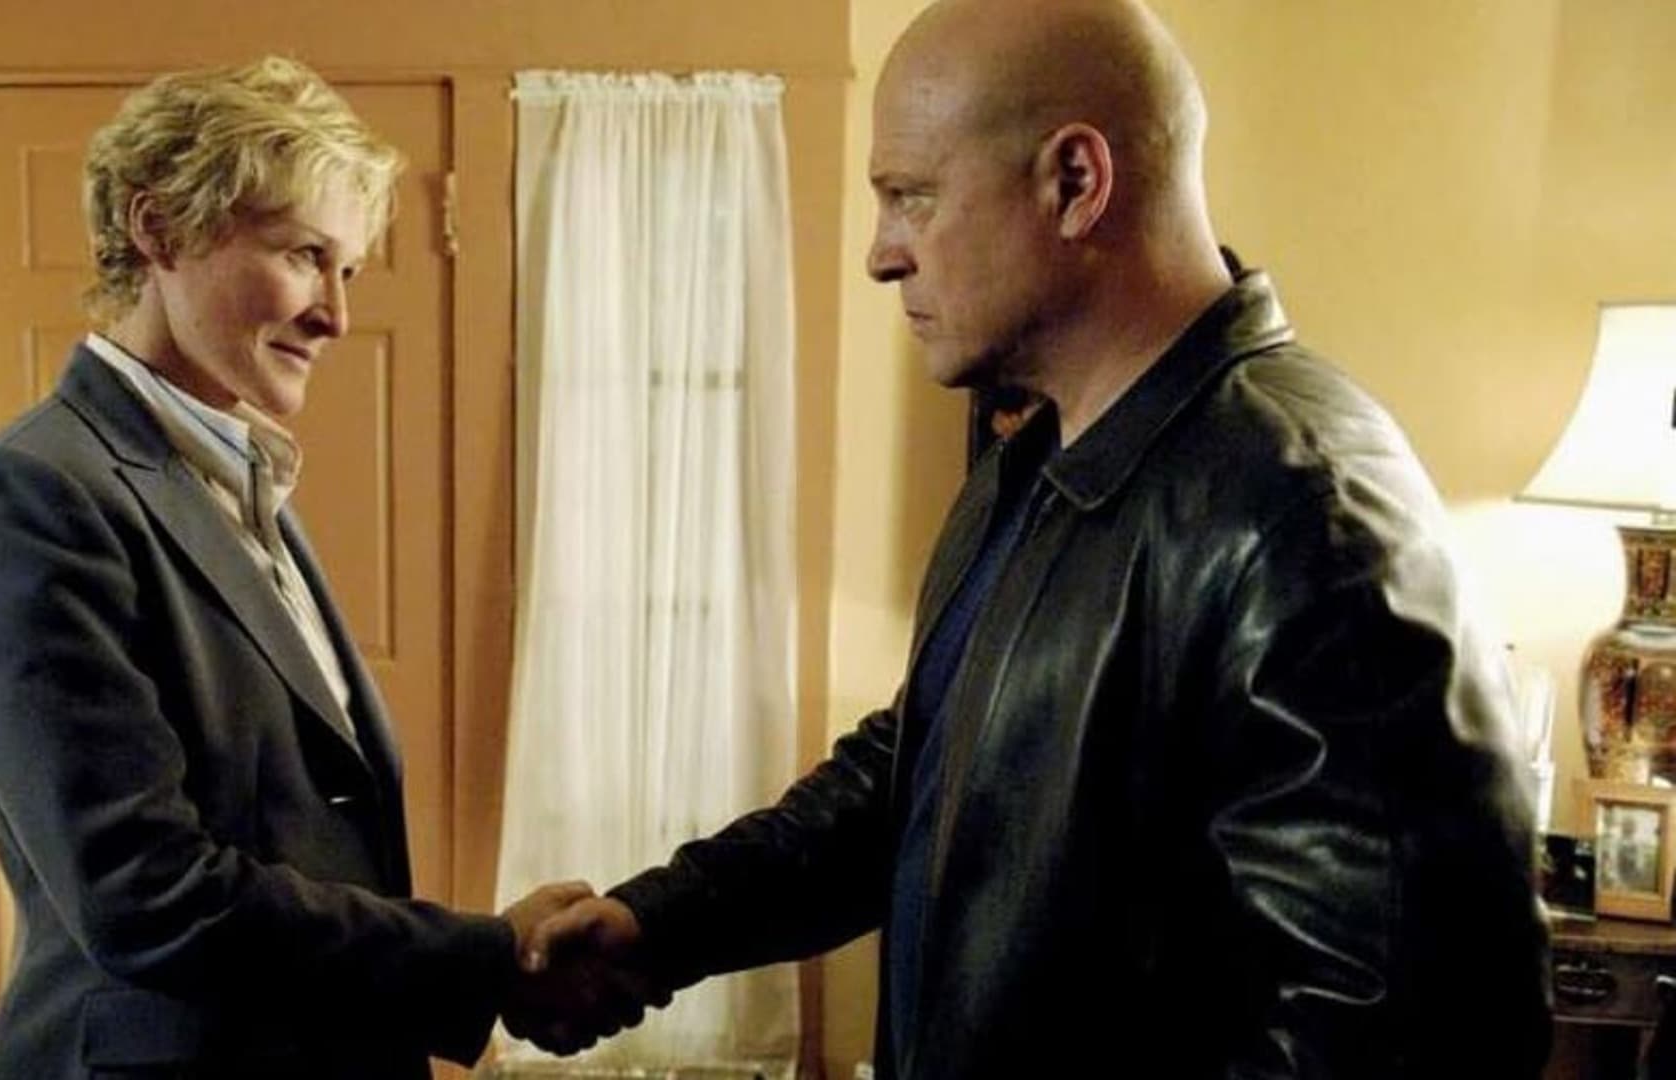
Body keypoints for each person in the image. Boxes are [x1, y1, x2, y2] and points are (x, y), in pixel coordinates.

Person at [523, 0, 1553, 1075]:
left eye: (912, 197)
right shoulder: (1031, 466)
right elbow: (924, 771)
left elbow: (1403, 1038)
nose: (881, 255)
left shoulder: (1305, 514)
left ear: (1074, 182)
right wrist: (662, 923)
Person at [0, 57, 637, 1079]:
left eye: (349, 271)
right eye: (306, 255)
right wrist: (488, 958)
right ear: (159, 228)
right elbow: (147, 894)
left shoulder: (243, 478)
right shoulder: (29, 494)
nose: (336, 315)